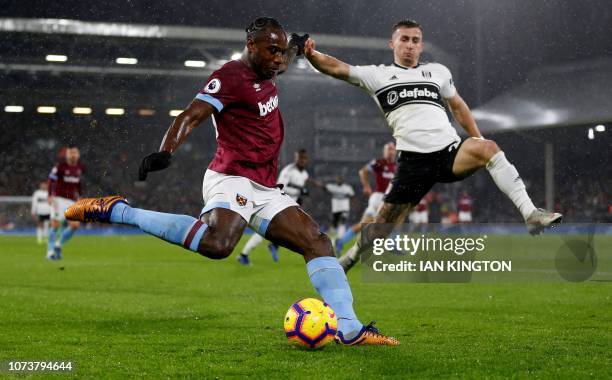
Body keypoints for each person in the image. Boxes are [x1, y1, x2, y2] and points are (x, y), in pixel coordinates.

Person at [65, 17, 398, 346]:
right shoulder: (229, 76)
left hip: (265, 186)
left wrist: (297, 46)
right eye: (272, 51)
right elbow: (191, 115)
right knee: (218, 244)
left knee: (318, 243)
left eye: (282, 52)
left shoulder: (270, 65)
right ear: (250, 45)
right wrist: (165, 151)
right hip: (232, 177)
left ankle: (350, 329)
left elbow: (284, 58)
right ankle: (119, 211)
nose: (279, 60)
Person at [304, 19, 562, 272]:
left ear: (421, 45)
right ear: (392, 43)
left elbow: (458, 106)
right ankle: (350, 259)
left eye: (415, 40)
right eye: (404, 39)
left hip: (449, 152)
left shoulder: (438, 72)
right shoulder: (377, 75)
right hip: (413, 163)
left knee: (489, 147)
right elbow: (338, 68)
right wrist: (313, 55)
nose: (410, 45)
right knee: (383, 226)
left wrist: (477, 140)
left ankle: (530, 214)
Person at [237, 149, 310, 265]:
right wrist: (299, 190)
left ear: (307, 160)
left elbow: (298, 193)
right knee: (265, 230)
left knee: (287, 230)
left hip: (288, 205)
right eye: (299, 158)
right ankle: (244, 255)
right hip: (277, 203)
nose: (301, 160)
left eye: (303, 158)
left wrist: (300, 195)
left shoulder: (305, 174)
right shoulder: (288, 171)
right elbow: (280, 187)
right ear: (295, 158)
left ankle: (273, 246)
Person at [335, 142, 396, 254]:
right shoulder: (379, 163)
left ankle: (341, 240)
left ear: (395, 151)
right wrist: (366, 186)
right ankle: (393, 245)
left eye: (392, 149)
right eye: (388, 149)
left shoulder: (396, 166)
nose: (390, 151)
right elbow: (363, 171)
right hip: (378, 197)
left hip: (388, 198)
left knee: (365, 224)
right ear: (384, 151)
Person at [47, 146, 83, 260]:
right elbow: (51, 180)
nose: (73, 155)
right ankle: (50, 251)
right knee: (55, 225)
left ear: (78, 154)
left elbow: (78, 185)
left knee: (75, 225)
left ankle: (58, 244)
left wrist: (80, 197)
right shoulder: (60, 167)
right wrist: (50, 195)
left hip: (71, 200)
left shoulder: (79, 168)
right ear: (67, 154)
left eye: (75, 152)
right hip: (58, 198)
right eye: (71, 152)